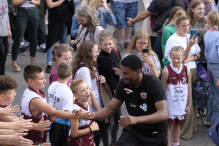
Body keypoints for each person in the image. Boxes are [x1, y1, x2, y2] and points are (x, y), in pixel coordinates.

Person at [94, 55, 168, 146]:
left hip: (155, 133)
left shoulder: (154, 83)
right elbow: (109, 109)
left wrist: (137, 119)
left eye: (126, 73)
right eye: (121, 72)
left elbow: (163, 113)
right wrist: (89, 115)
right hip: (133, 131)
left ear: (138, 71)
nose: (123, 76)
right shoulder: (123, 83)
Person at [20, 65, 95, 144]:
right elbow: (54, 112)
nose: (45, 80)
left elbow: (44, 109)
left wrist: (48, 115)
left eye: (44, 77)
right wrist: (79, 116)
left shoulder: (31, 91)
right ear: (31, 81)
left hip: (36, 132)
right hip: (32, 136)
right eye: (41, 79)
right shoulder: (35, 99)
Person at [165, 16, 201, 140]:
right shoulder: (172, 39)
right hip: (180, 71)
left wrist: (188, 59)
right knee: (181, 99)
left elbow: (198, 55)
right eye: (183, 26)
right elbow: (179, 59)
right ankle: (183, 132)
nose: (186, 28)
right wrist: (189, 46)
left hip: (192, 69)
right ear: (177, 26)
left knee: (191, 99)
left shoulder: (189, 36)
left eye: (188, 26)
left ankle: (191, 128)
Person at [127, 0, 188, 66]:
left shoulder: (158, 1)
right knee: (178, 59)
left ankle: (160, 74)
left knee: (158, 61)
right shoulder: (184, 1)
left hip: (161, 34)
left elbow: (144, 14)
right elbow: (188, 15)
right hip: (179, 33)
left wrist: (132, 21)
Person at [72, 40, 109, 146]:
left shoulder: (89, 67)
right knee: (93, 140)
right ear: (87, 53)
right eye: (95, 51)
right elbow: (89, 92)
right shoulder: (84, 70)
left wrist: (100, 77)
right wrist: (100, 112)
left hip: (93, 110)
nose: (98, 53)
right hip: (92, 111)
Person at [0, 75, 51, 146]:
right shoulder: (2, 112)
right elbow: (16, 121)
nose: (15, 94)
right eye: (12, 93)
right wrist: (36, 126)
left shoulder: (4, 108)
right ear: (2, 96)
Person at [162, 46, 192, 146]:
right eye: (173, 58)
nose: (175, 60)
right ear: (170, 57)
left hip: (181, 104)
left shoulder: (187, 70)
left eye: (178, 58)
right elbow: (162, 91)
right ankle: (168, 144)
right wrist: (163, 107)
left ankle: (176, 143)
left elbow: (189, 89)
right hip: (170, 105)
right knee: (168, 125)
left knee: (178, 125)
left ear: (183, 58)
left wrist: (189, 104)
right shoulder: (166, 71)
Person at [97, 31, 121, 146]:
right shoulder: (101, 58)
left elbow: (121, 70)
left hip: (117, 90)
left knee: (117, 120)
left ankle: (113, 142)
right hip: (108, 92)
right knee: (107, 122)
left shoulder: (117, 53)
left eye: (110, 44)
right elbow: (109, 76)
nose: (108, 47)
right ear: (100, 44)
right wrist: (116, 91)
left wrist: (119, 72)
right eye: (105, 45)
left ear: (113, 43)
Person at [48, 61, 75, 146]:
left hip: (52, 120)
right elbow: (66, 112)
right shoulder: (67, 91)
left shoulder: (52, 85)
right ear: (70, 75)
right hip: (62, 125)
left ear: (56, 73)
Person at [68, 78, 100, 146]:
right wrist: (91, 129)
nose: (87, 91)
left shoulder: (87, 103)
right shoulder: (76, 111)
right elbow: (74, 134)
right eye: (83, 91)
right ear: (76, 95)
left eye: (87, 88)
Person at [45, 0, 74, 73]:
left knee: (63, 38)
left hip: (66, 14)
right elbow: (50, 5)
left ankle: (63, 60)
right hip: (54, 16)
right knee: (51, 39)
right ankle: (49, 63)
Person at [11, 0, 40, 71]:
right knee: (18, 38)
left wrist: (31, 1)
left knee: (33, 38)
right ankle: (14, 62)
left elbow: (38, 2)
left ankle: (32, 60)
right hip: (22, 11)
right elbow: (14, 3)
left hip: (34, 10)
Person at [204, 11, 219, 125]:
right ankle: (216, 122)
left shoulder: (207, 33)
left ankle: (209, 119)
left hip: (209, 64)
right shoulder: (218, 35)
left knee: (212, 93)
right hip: (217, 65)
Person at [188, 0, 209, 69]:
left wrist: (196, 31)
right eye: (200, 9)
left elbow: (208, 36)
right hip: (191, 57)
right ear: (192, 9)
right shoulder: (187, 21)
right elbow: (191, 39)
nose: (202, 11)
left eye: (203, 9)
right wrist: (203, 31)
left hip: (203, 56)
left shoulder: (206, 20)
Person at [0, 0, 12, 75]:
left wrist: (9, 29)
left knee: (5, 52)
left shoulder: (4, 1)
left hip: (4, 30)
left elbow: (6, 15)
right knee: (1, 52)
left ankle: (2, 73)